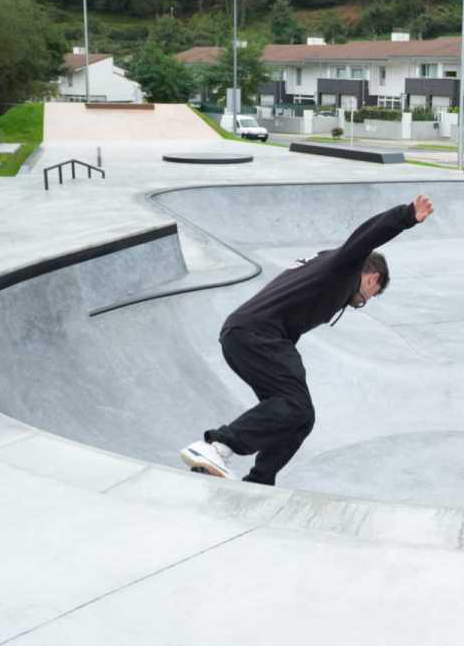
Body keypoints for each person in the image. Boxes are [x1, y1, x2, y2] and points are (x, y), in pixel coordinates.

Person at [179, 194, 434, 483]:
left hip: (245, 336)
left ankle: (260, 480)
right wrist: (406, 216)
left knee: (299, 416)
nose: (359, 302)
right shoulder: (344, 267)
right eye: (367, 297)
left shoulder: (324, 262)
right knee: (295, 405)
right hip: (259, 336)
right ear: (372, 278)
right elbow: (366, 237)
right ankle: (217, 446)